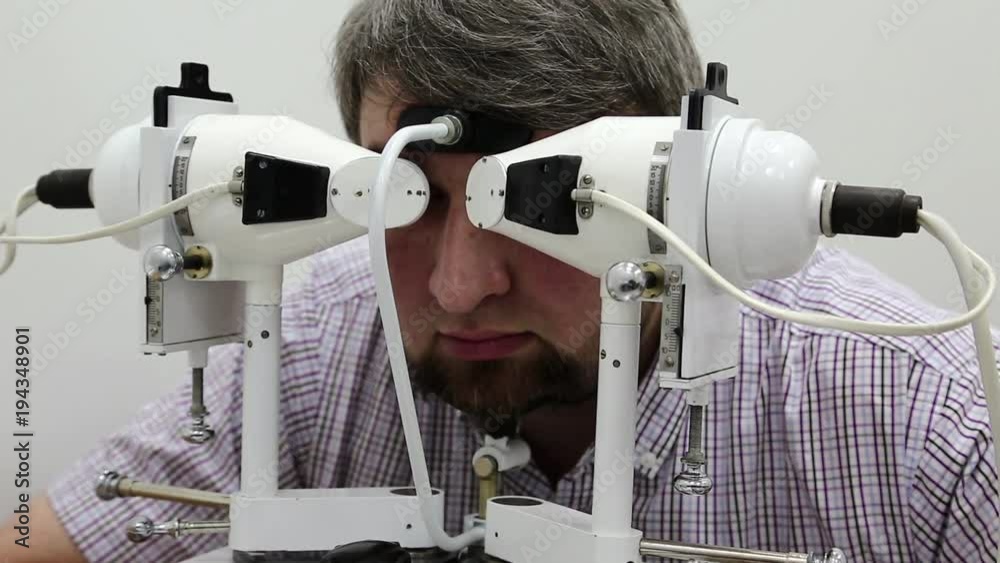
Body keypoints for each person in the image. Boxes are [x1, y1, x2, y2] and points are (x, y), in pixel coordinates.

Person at [4, 1, 998, 561]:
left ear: (683, 186)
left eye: (545, 200)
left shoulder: (921, 421)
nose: (459, 284)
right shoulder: (318, 343)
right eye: (406, 198)